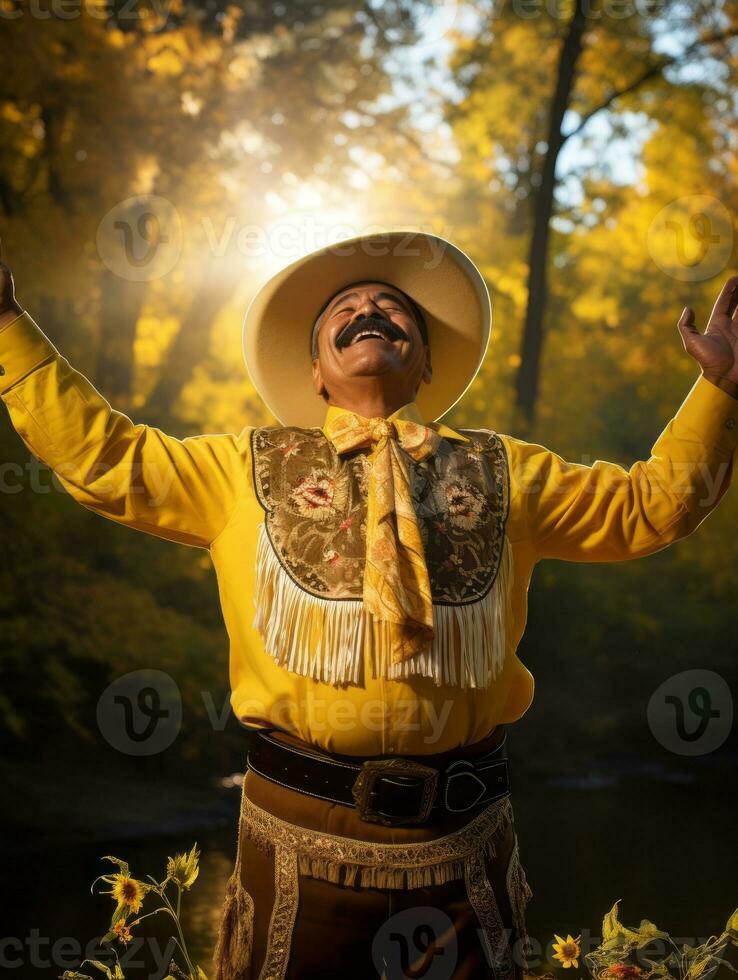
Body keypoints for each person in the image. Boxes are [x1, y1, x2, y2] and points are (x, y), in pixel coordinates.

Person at [1, 230, 737, 980]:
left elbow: (654, 507)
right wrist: (6, 324)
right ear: (317, 373)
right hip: (294, 844)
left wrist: (721, 389)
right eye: (344, 310)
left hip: (467, 846)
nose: (369, 311)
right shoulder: (237, 469)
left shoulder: (507, 472)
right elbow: (106, 457)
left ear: (426, 361)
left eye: (392, 308)